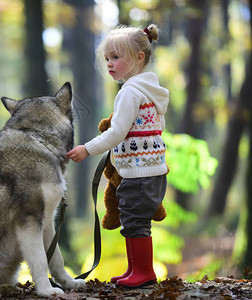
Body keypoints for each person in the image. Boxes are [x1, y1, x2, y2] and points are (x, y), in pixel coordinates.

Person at [66, 24, 169, 288]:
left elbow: (117, 132)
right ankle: (135, 269)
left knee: (134, 221)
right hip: (151, 170)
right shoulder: (150, 91)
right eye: (107, 59)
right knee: (133, 219)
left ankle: (144, 272)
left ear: (138, 57)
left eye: (116, 57)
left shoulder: (130, 92)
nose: (110, 64)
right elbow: (155, 128)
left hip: (138, 174)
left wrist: (86, 149)